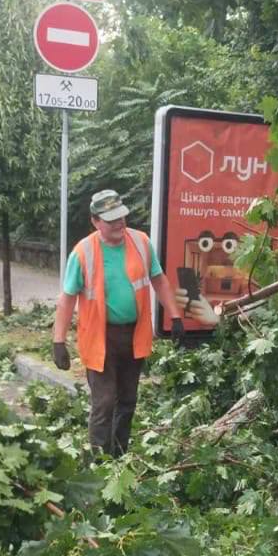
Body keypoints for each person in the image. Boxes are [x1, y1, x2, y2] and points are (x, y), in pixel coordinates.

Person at [51, 189, 185, 455]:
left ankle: (120, 456)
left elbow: (159, 280)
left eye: (121, 217)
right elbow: (67, 299)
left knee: (128, 400)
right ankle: (99, 460)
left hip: (134, 335)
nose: (119, 224)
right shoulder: (83, 252)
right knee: (104, 402)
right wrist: (58, 341)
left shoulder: (141, 242)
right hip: (100, 338)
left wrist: (175, 316)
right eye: (111, 220)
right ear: (95, 221)